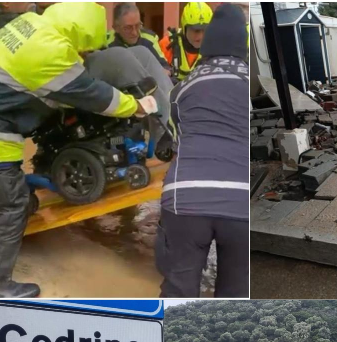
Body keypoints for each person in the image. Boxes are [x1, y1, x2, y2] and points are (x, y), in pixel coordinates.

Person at [0, 2, 152, 298]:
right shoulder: (50, 52)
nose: (85, 56)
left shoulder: (30, 26)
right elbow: (93, 94)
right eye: (86, 50)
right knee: (12, 209)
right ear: (79, 35)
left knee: (15, 195)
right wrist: (135, 106)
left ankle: (23, 198)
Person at [156, 4, 249, 298]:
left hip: (185, 199)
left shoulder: (181, 88)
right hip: (242, 204)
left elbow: (174, 138)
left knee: (178, 289)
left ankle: (165, 340)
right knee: (235, 295)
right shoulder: (252, 83)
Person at [106, 2, 170, 75]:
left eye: (137, 25)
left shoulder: (150, 38)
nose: (135, 33)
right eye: (128, 28)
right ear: (116, 28)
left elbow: (165, 67)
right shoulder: (106, 42)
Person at [161, 1, 212, 82]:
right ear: (185, 28)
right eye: (196, 30)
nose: (201, 36)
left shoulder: (214, 48)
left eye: (205, 30)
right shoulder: (168, 44)